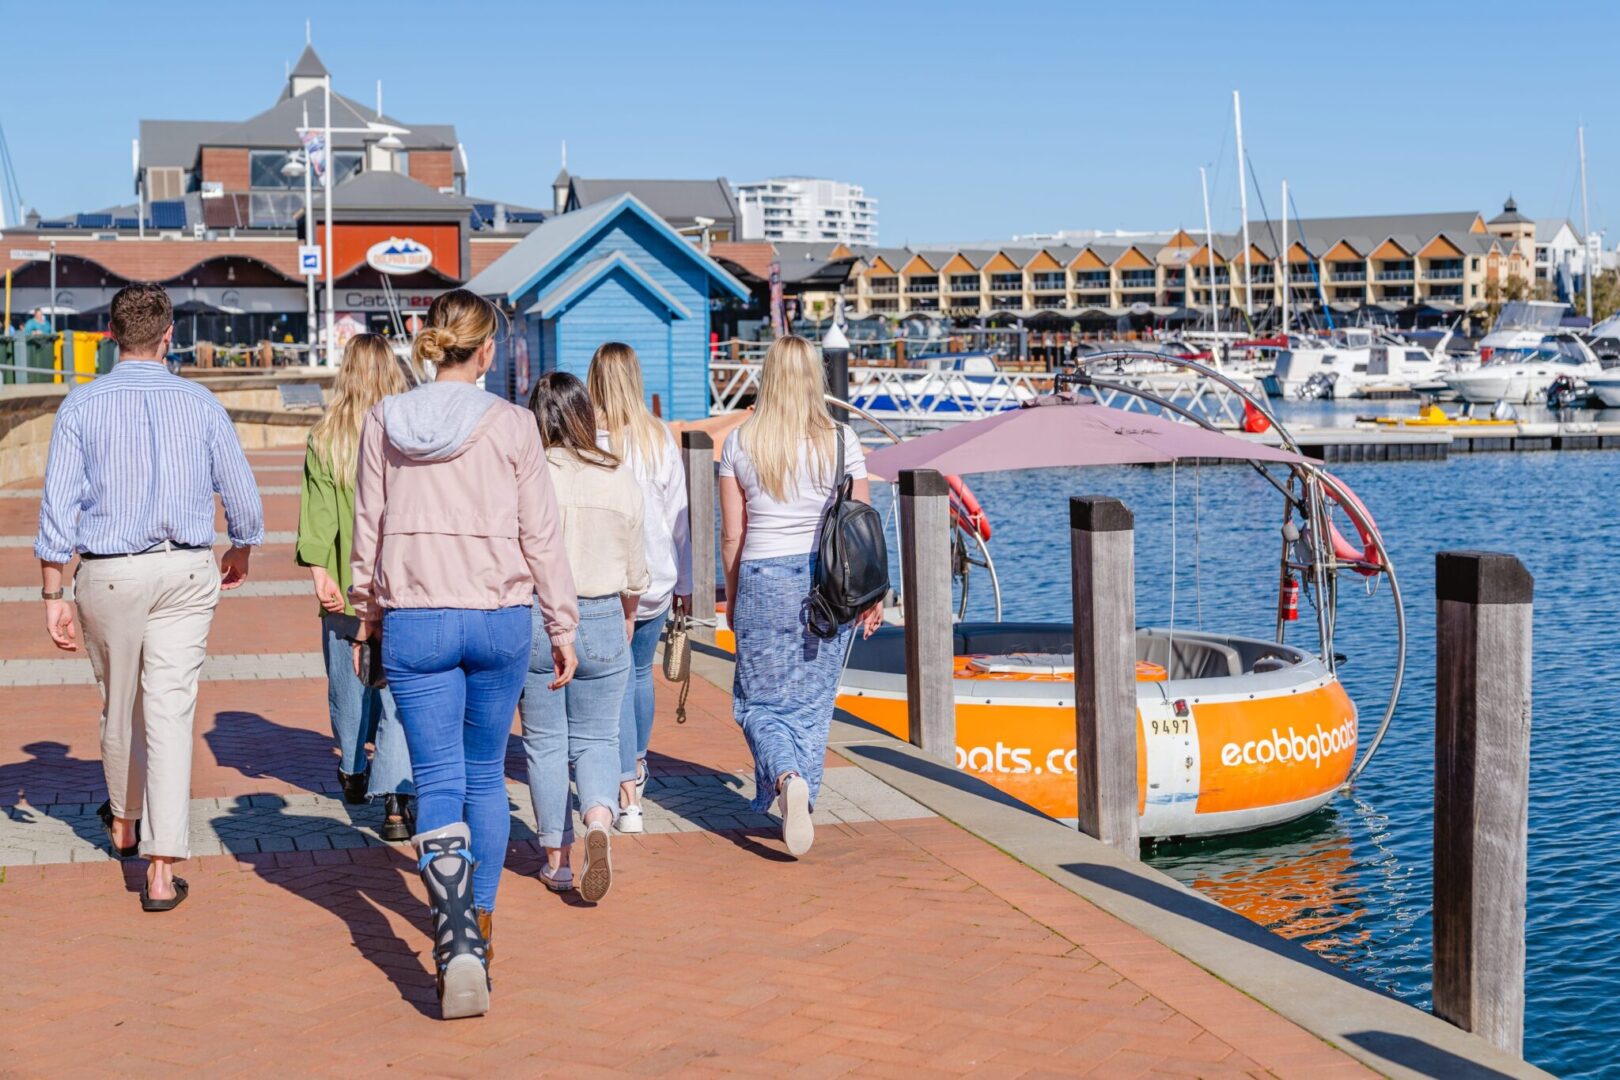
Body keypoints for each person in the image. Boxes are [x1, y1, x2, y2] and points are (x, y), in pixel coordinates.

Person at [349, 289, 579, 1019]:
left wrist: (366, 612)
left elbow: (368, 524)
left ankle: (451, 935)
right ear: (485, 351)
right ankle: (478, 918)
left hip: (416, 615)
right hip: (501, 615)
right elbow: (542, 534)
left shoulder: (384, 419)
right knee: (485, 774)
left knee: (437, 774)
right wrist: (563, 624)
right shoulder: (513, 425)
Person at [35, 282, 263, 911]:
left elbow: (59, 508)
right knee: (170, 712)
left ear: (111, 336)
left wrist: (54, 591)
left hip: (109, 573)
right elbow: (241, 495)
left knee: (119, 705)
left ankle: (126, 822)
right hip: (187, 571)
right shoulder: (201, 403)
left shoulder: (81, 406)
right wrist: (240, 547)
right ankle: (162, 869)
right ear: (169, 336)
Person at [718, 335, 882, 858]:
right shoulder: (842, 442)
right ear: (816, 378)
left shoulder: (740, 442)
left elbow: (732, 536)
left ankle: (787, 777)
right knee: (812, 703)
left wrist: (735, 597)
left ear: (767, 377)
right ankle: (801, 793)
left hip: (764, 576)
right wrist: (872, 596)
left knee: (756, 702)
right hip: (828, 584)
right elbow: (861, 532)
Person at [520, 371, 649, 902]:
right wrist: (628, 617)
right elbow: (638, 567)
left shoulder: (524, 475)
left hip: (536, 614)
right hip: (601, 613)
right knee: (598, 738)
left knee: (546, 743)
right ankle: (599, 815)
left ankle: (557, 858)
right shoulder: (618, 475)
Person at [296, 333, 414, 840]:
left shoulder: (326, 437)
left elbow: (318, 517)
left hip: (346, 582)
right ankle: (394, 800)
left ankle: (351, 765)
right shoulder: (407, 432)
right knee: (399, 692)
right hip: (404, 581)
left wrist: (320, 573)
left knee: (347, 681)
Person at [586, 343, 691, 834]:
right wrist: (687, 581)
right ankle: (638, 766)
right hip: (655, 578)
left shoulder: (587, 437)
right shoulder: (658, 439)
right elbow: (678, 519)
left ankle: (624, 787)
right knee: (640, 676)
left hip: (603, 578)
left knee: (615, 683)